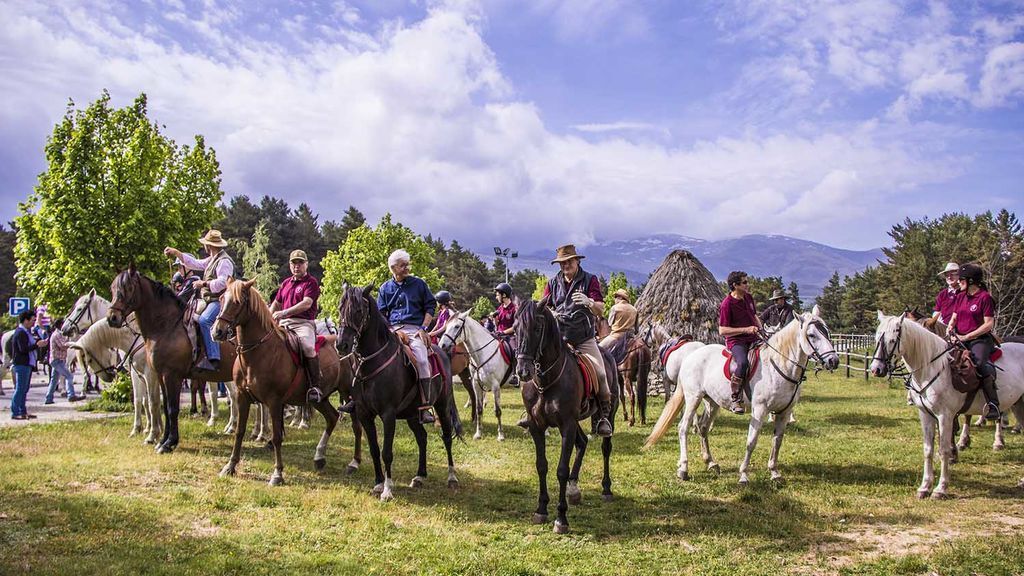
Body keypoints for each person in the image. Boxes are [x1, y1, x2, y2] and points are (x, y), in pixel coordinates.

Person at [531, 244, 613, 437]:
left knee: (600, 374)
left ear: (577, 261)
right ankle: (532, 411)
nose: (565, 265)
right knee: (534, 368)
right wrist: (549, 312)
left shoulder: (590, 280)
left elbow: (601, 309)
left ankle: (603, 416)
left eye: (569, 261)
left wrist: (590, 302)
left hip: (583, 338)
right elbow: (543, 307)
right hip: (558, 339)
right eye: (562, 262)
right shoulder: (552, 283)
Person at [356, 249, 437, 423]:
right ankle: (356, 400)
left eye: (407, 264)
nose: (407, 268)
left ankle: (425, 406)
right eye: (403, 265)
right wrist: (392, 331)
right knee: (363, 355)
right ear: (393, 268)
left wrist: (423, 328)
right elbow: (381, 314)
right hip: (390, 330)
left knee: (422, 360)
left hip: (414, 329)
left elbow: (430, 306)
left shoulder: (419, 284)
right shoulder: (385, 288)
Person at [164, 230, 235, 371]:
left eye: (206, 244)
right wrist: (177, 253)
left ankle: (214, 358)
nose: (204, 247)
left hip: (220, 300)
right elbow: (195, 263)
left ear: (209, 246)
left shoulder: (224, 261)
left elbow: (222, 282)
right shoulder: (213, 259)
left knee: (205, 320)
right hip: (210, 299)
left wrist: (203, 284)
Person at [269, 250, 323, 403]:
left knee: (307, 347)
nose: (296, 266)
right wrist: (266, 316)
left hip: (303, 323)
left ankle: (315, 386)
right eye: (294, 263)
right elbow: (276, 303)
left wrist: (284, 313)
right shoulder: (286, 283)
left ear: (306, 264)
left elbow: (307, 303)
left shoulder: (311, 282)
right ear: (290, 265)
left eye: (300, 263)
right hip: (284, 323)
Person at [948, 263, 999, 420]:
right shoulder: (960, 296)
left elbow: (989, 324)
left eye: (961, 279)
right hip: (960, 338)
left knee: (979, 364)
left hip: (980, 340)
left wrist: (968, 336)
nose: (958, 282)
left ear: (970, 281)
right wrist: (950, 328)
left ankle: (993, 404)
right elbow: (954, 317)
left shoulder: (985, 298)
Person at [718, 270, 762, 415]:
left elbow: (754, 316)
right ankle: (736, 398)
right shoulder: (727, 304)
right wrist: (746, 330)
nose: (747, 285)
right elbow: (722, 330)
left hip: (754, 338)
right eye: (744, 282)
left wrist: (762, 329)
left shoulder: (748, 297)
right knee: (742, 363)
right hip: (736, 341)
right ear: (735, 285)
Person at [10, 309, 48, 420]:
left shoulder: (26, 332)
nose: (33, 322)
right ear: (25, 320)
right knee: (20, 388)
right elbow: (23, 349)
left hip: (27, 364)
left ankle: (22, 411)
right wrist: (37, 345)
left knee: (24, 389)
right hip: (21, 364)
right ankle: (15, 411)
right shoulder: (20, 332)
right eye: (32, 320)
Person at [44, 317, 84, 404]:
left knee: (54, 380)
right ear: (60, 325)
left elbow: (65, 342)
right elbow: (62, 346)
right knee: (69, 376)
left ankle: (49, 398)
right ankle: (71, 395)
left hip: (60, 360)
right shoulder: (56, 335)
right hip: (57, 360)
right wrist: (73, 345)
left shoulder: (60, 334)